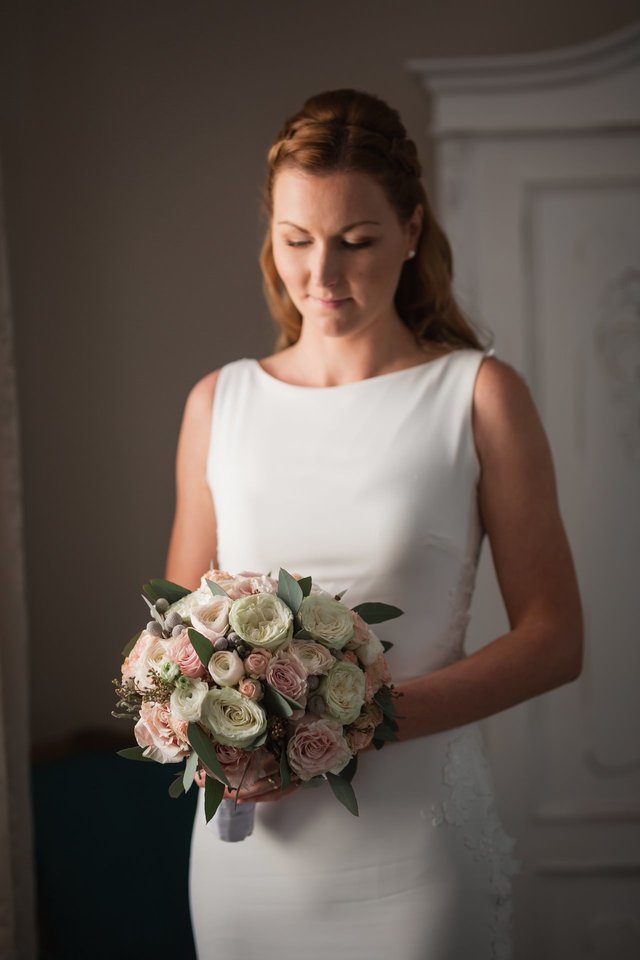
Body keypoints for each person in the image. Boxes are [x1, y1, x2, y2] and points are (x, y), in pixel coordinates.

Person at [165, 88, 583, 960]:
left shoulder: (478, 396)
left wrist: (363, 720)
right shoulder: (219, 403)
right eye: (296, 241)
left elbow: (555, 638)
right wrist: (194, 713)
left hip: (409, 861)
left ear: (413, 231)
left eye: (356, 242)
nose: (321, 277)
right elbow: (174, 633)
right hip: (247, 862)